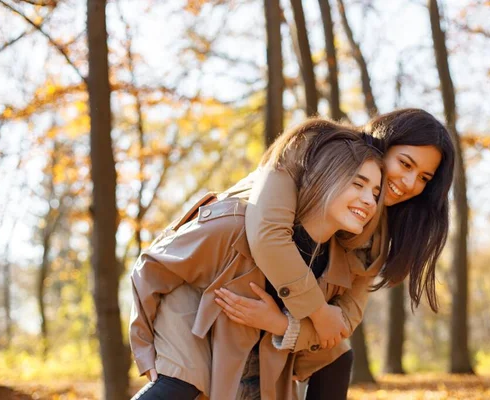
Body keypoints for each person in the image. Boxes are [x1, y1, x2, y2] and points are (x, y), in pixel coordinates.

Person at [129, 120, 386, 400]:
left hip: (264, 363)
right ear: (323, 178)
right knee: (176, 388)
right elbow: (151, 268)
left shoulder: (338, 265)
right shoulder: (233, 226)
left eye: (375, 193)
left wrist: (281, 325)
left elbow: (329, 334)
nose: (369, 201)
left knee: (338, 357)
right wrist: (145, 353)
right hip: (199, 342)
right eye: (358, 184)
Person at [218, 108, 455, 399]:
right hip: (214, 279)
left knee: (337, 357)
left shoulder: (378, 235)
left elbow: (345, 319)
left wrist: (282, 324)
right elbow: (268, 234)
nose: (409, 183)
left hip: (273, 321)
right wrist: (318, 311)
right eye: (405, 164)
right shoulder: (311, 147)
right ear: (382, 143)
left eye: (423, 178)